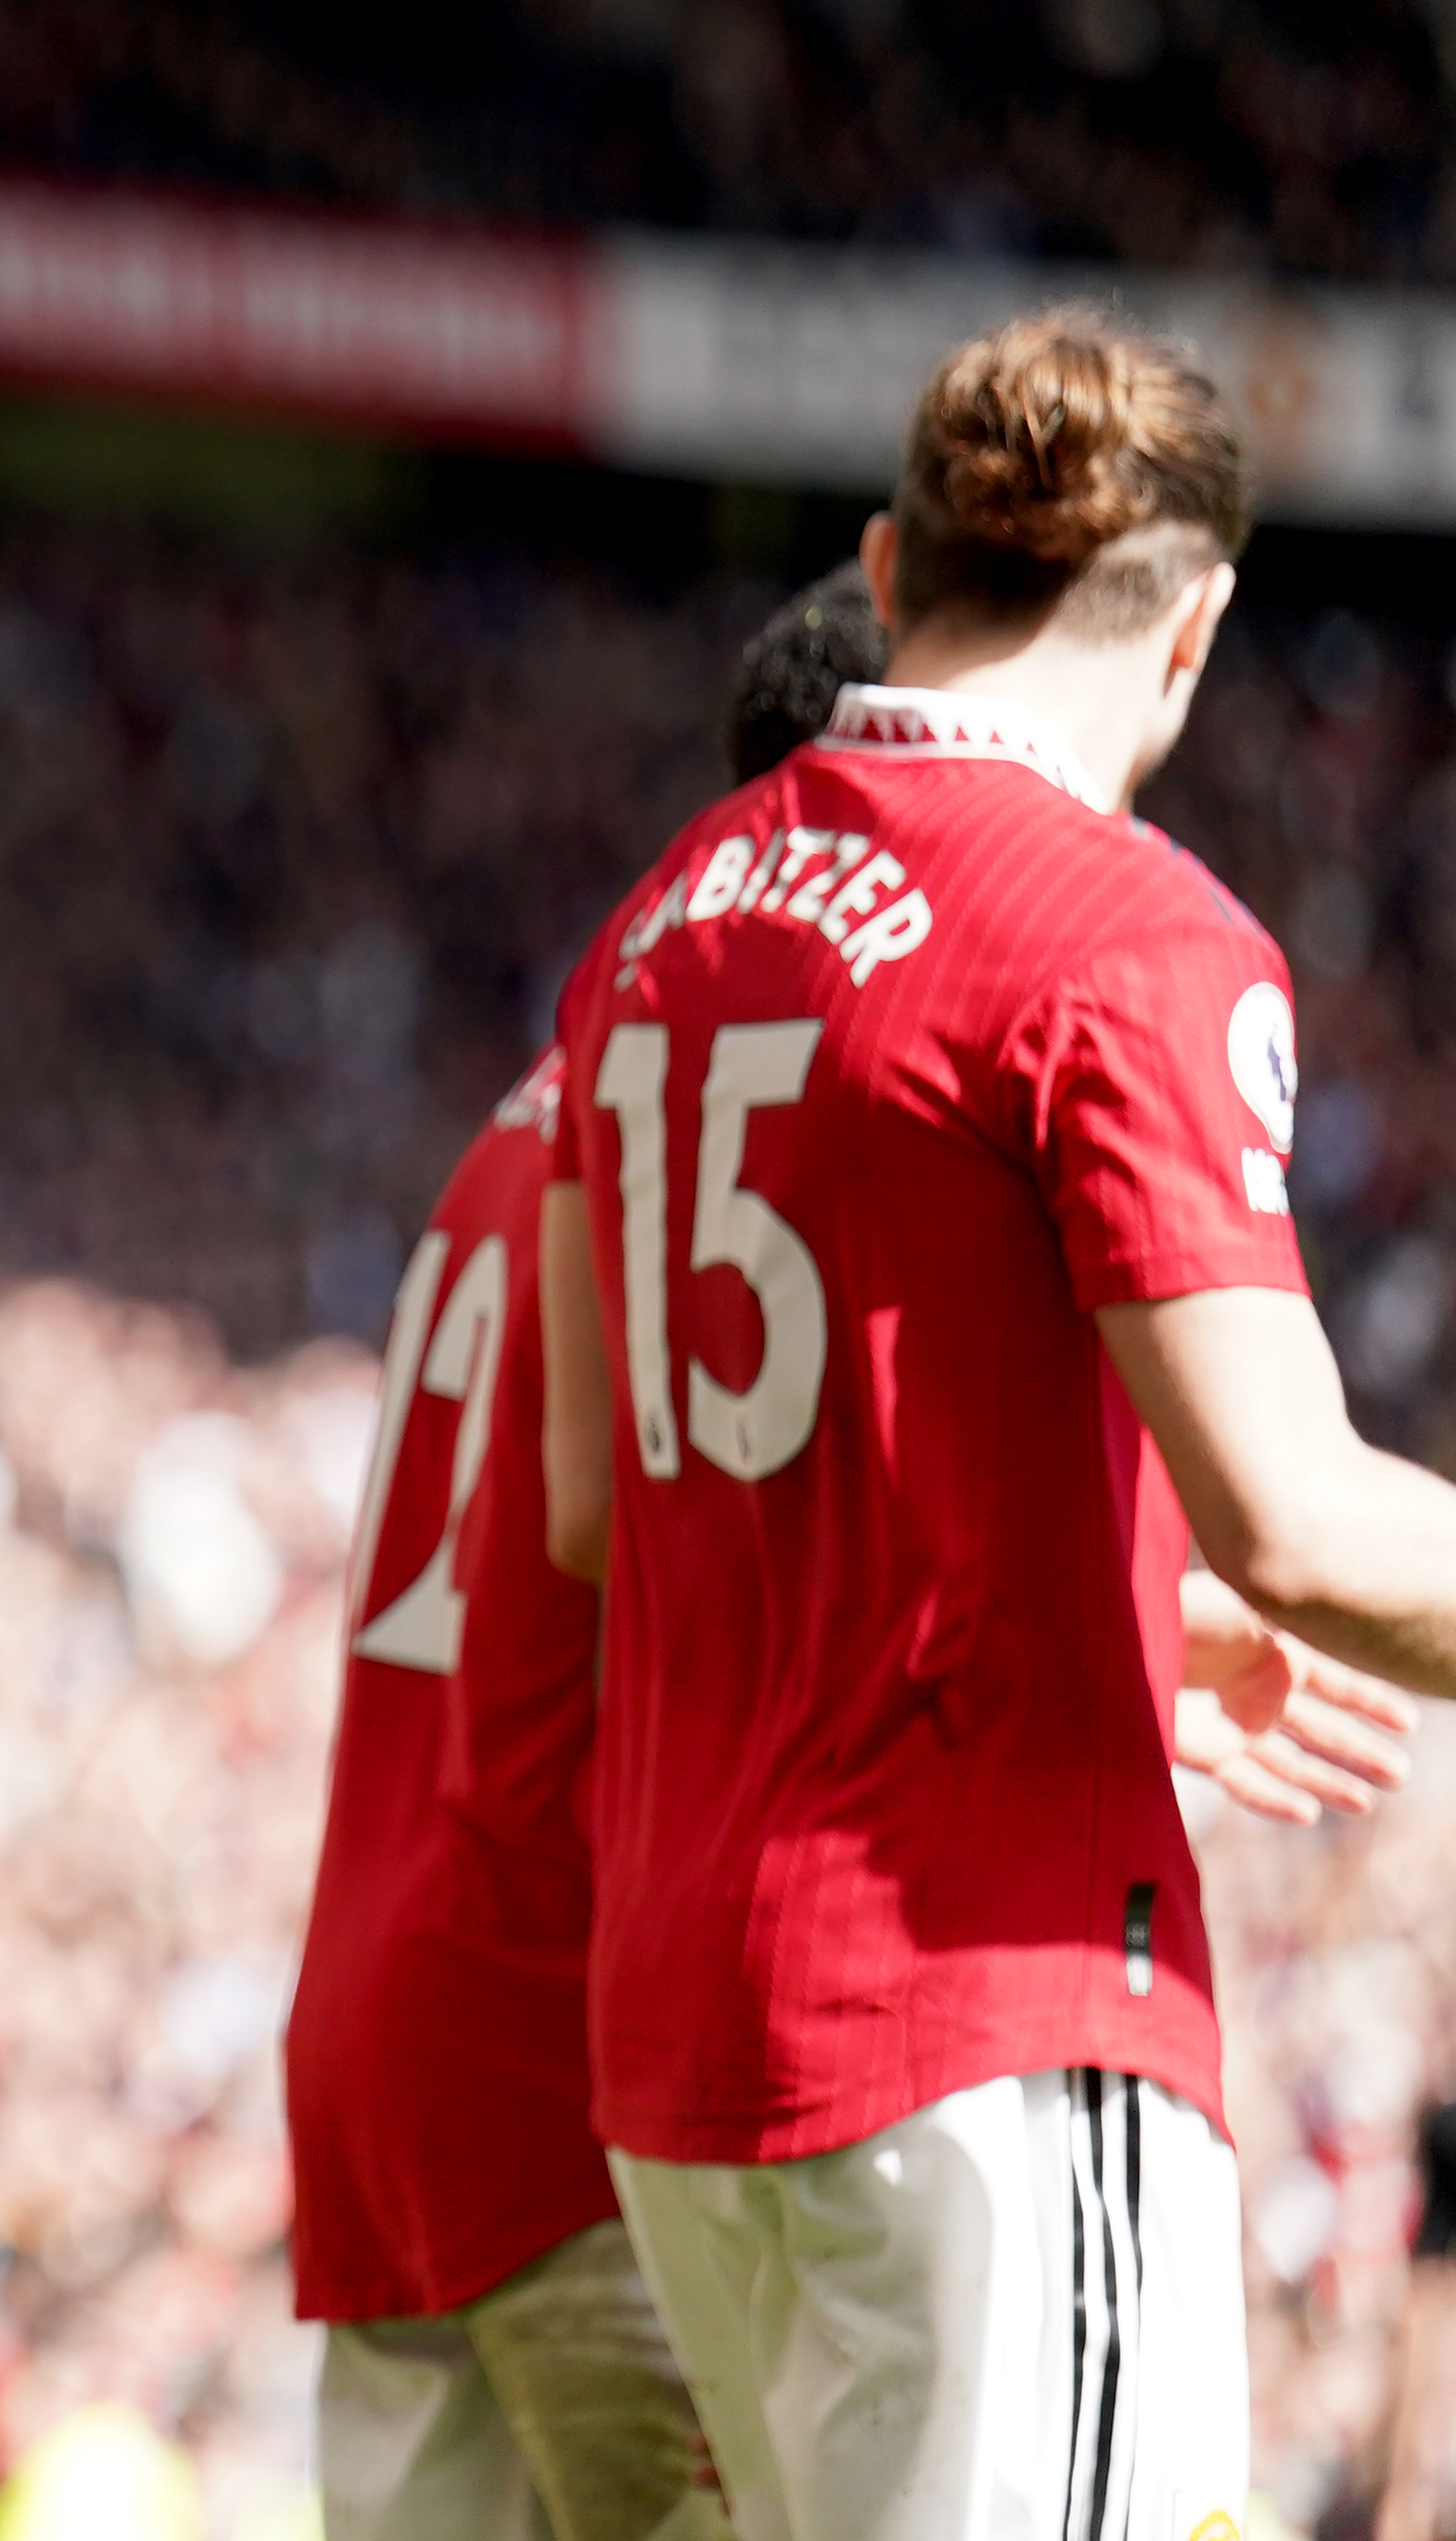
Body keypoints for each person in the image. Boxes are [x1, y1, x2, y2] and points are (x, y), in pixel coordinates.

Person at [289, 563, 1399, 2541]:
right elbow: (665, 1537)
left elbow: (674, 1542)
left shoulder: (542, 1126)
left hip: (390, 2056)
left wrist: (1137, 1619)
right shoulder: (729, 1128)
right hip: (585, 2071)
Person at [539, 309, 1456, 2541]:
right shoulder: (1120, 933)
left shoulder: (651, 928)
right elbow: (1305, 1528)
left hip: (680, 2046)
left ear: (888, 558)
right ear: (1195, 631)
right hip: (981, 2013)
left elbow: (598, 1508)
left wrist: (1116, 1611)